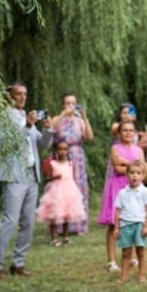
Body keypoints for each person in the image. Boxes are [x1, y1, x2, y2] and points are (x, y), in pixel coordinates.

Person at [0, 82, 54, 277]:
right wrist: (27, 126)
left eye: (25, 94)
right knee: (10, 221)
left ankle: (18, 263)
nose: (22, 97)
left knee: (28, 221)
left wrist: (48, 129)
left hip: (32, 174)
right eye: (18, 94)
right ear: (10, 96)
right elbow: (6, 143)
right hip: (14, 174)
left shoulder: (26, 116)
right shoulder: (2, 117)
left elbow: (41, 144)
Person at [98, 121, 144, 272]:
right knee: (114, 223)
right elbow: (117, 168)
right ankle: (111, 260)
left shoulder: (139, 150)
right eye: (124, 130)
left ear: (135, 133)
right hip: (117, 187)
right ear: (119, 133)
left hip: (134, 188)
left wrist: (127, 164)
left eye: (131, 130)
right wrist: (133, 167)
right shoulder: (115, 148)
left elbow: (142, 170)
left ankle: (130, 256)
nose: (128, 133)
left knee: (131, 222)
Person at [50, 93, 93, 234]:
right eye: (68, 103)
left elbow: (89, 137)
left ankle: (78, 225)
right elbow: (52, 130)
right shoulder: (58, 118)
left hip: (77, 156)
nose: (71, 106)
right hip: (62, 156)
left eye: (73, 103)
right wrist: (63, 114)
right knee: (61, 189)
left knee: (78, 188)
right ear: (63, 104)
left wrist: (84, 118)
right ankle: (60, 225)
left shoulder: (79, 120)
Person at [36, 141, 86, 247]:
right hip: (56, 191)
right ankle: (54, 238)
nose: (62, 152)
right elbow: (47, 178)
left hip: (68, 190)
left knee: (66, 214)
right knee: (54, 215)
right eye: (60, 149)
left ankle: (65, 236)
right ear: (56, 150)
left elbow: (72, 176)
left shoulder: (70, 163)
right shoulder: (53, 163)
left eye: (65, 149)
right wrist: (55, 177)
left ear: (68, 150)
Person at [113, 160, 147, 284]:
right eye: (132, 173)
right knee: (126, 252)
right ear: (127, 175)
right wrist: (116, 228)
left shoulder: (145, 192)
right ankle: (123, 276)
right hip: (125, 225)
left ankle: (141, 276)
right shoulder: (122, 193)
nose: (135, 175)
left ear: (143, 176)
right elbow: (118, 212)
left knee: (140, 251)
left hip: (139, 225)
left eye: (138, 173)